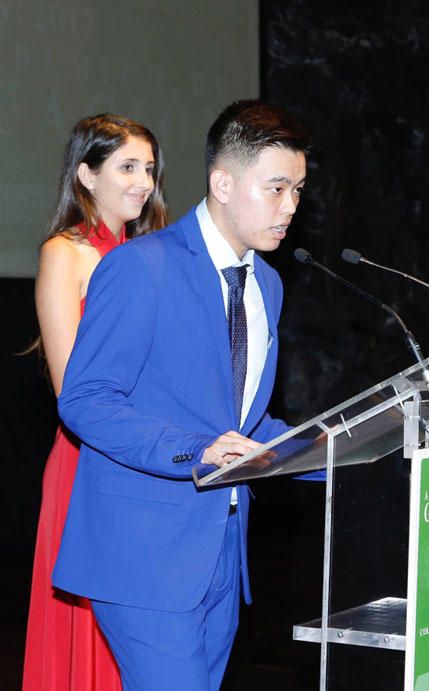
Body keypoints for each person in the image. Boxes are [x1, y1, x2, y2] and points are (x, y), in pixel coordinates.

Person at [52, 100, 309, 691]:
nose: (290, 206)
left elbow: (242, 421)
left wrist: (340, 448)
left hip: (221, 554)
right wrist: (197, 450)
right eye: (275, 188)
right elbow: (87, 399)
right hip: (144, 554)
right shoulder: (142, 268)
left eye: (298, 190)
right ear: (222, 182)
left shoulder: (266, 283)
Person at [23, 114, 168, 691]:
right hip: (94, 460)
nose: (143, 182)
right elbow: (70, 393)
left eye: (150, 169)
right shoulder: (67, 253)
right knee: (91, 630)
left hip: (155, 459)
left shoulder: (152, 254)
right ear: (86, 175)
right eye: (127, 167)